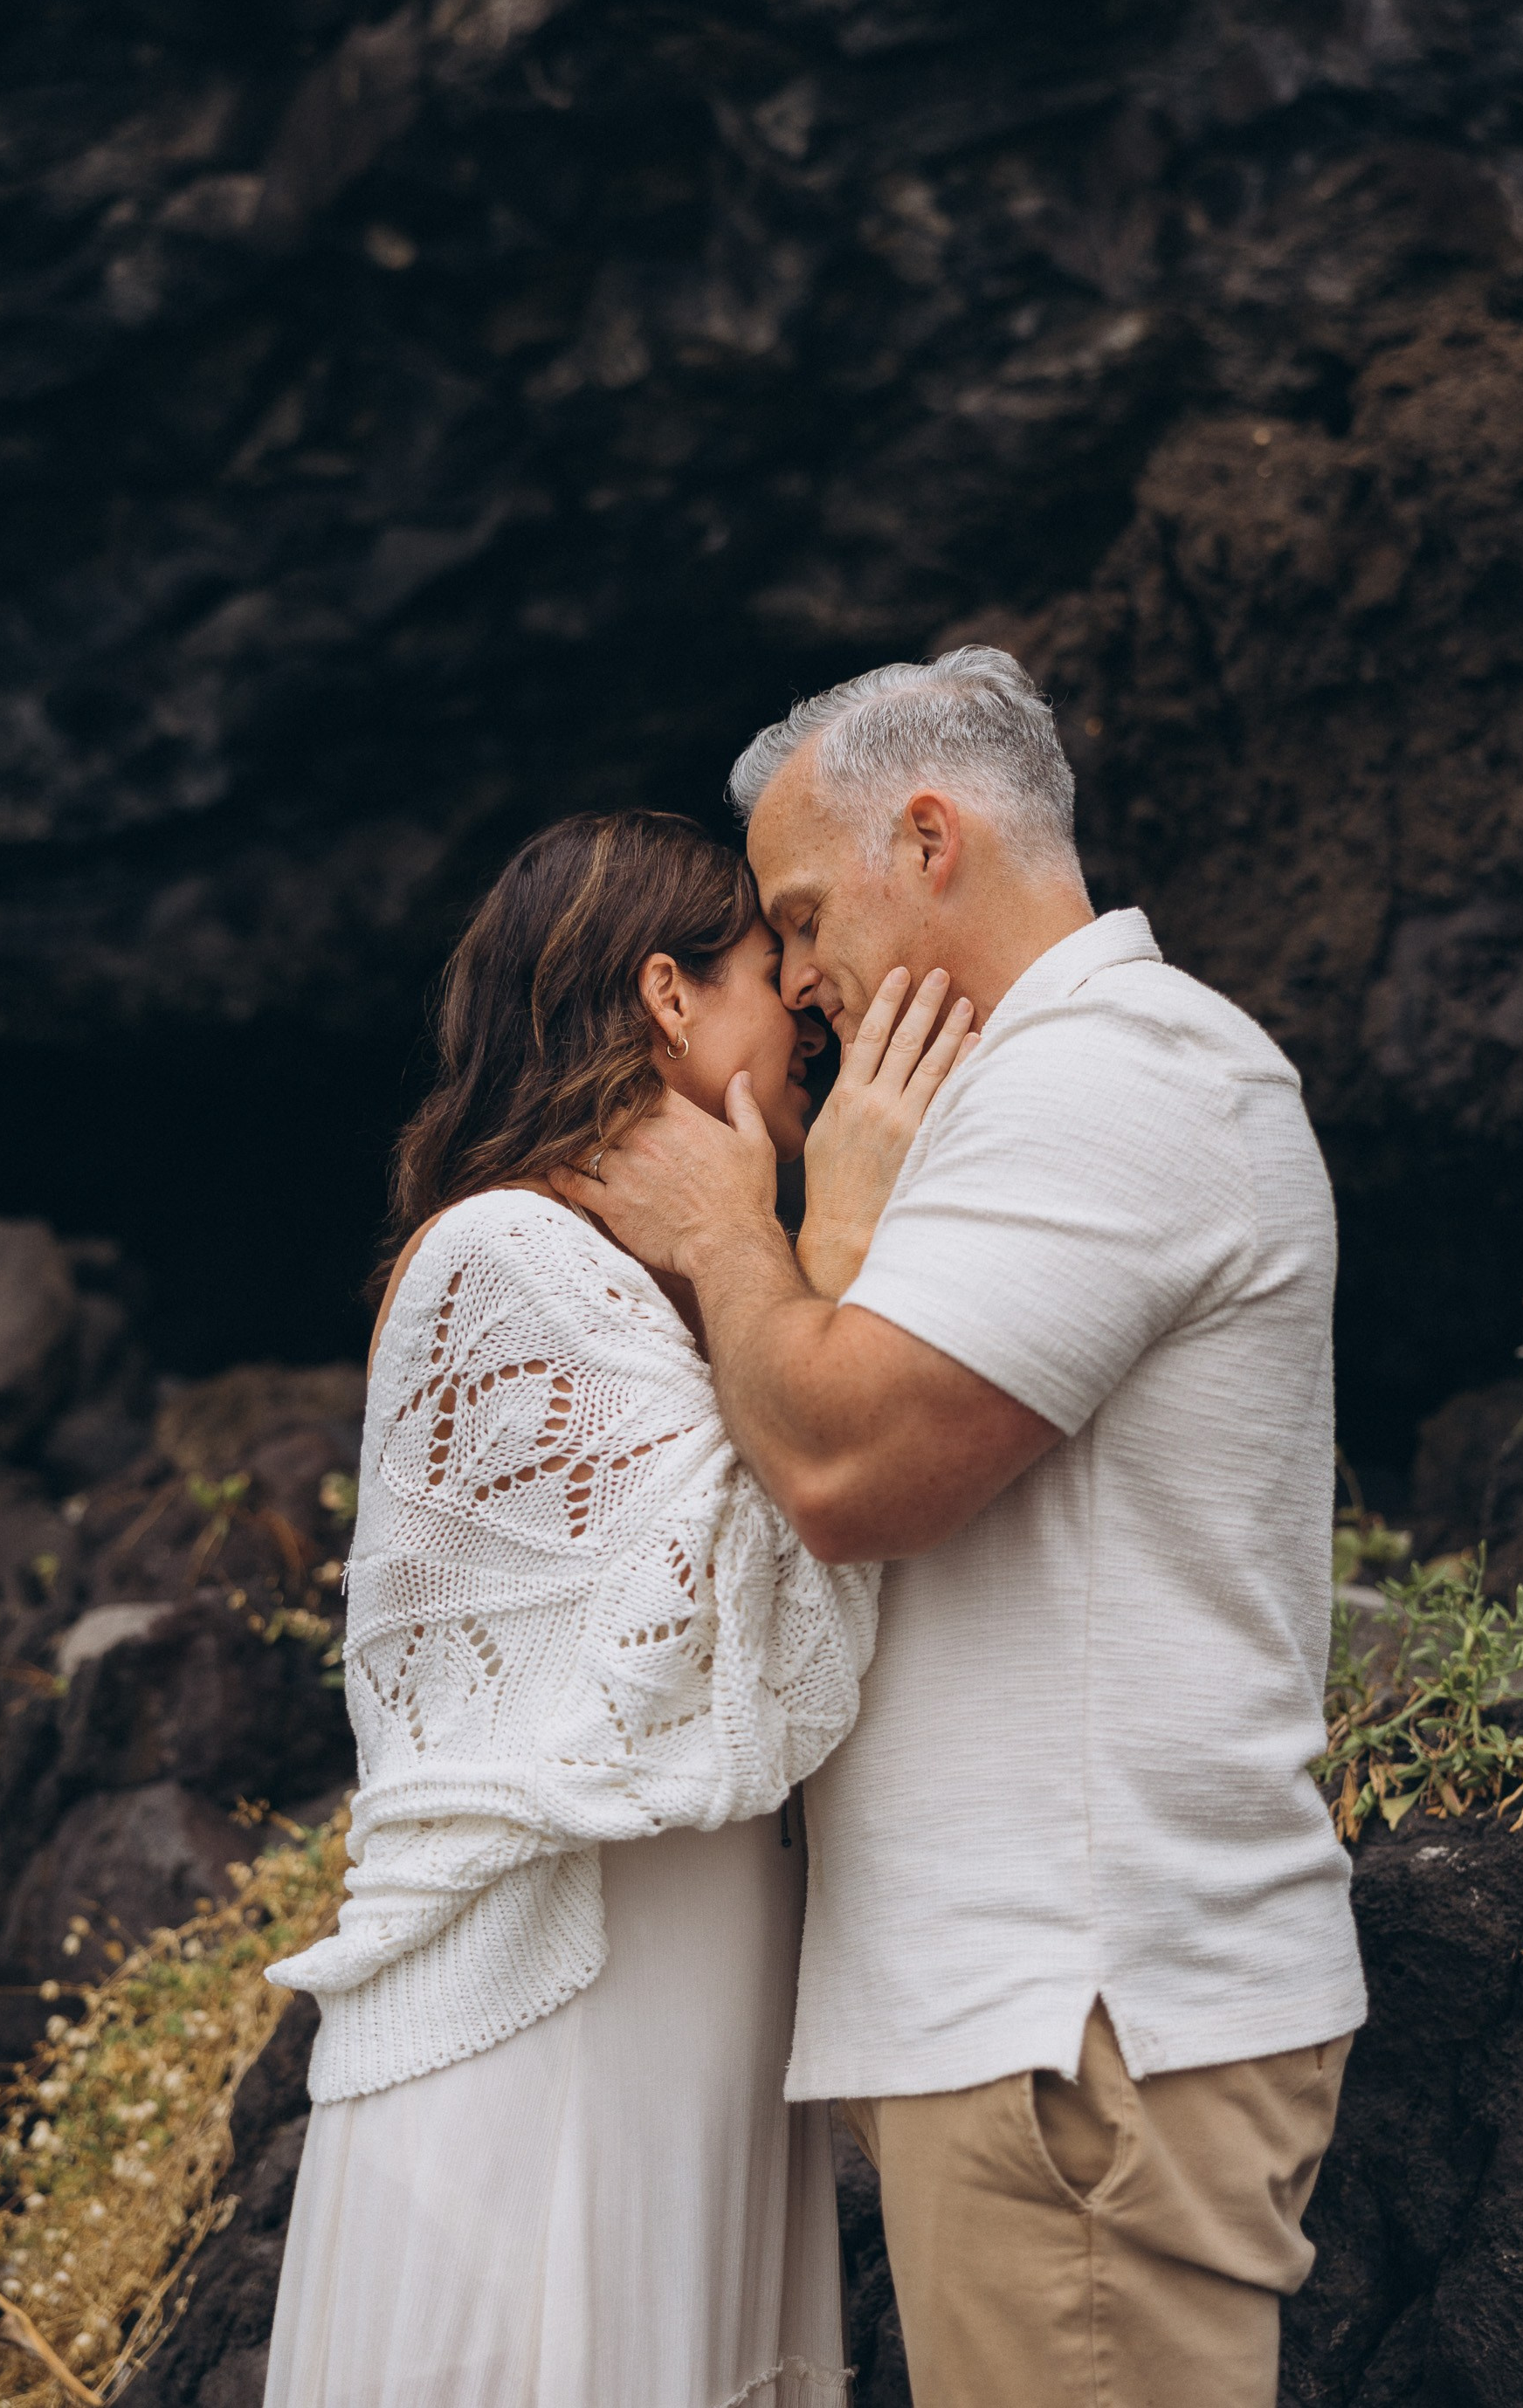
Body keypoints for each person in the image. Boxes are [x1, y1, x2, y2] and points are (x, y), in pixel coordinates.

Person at [560, 649, 1369, 2408]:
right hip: (1047, 2018)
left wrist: (729, 1234)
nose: (786, 978)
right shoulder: (1029, 1098)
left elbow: (851, 1474)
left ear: (927, 837)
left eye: (794, 912)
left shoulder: (1118, 1078)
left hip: (1076, 2020)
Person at [261, 808, 970, 2408]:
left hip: (676, 1999)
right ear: (665, 995)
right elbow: (757, 1589)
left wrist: (767, 1256)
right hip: (558, 2025)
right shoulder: (509, 1254)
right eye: (760, 963)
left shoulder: (651, 1267)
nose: (805, 1001)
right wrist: (836, 1235)